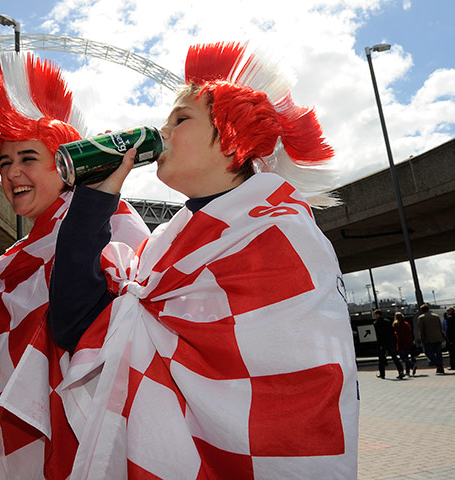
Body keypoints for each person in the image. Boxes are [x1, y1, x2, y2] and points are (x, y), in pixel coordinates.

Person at [48, 41, 359, 478]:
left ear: (233, 139)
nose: (163, 131)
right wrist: (95, 200)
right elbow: (74, 323)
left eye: (181, 119)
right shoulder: (162, 246)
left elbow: (293, 387)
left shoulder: (279, 232)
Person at [0, 51, 150, 480]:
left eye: (28, 158)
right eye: (5, 162)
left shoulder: (109, 223)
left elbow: (88, 333)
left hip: (87, 454)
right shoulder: (9, 262)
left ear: (65, 164)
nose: (13, 173)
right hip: (11, 457)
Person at [373, 310, 405, 379]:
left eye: (375, 315)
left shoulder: (376, 323)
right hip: (391, 341)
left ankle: (382, 373)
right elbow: (392, 331)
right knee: (394, 357)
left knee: (381, 358)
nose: (375, 316)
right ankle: (401, 371)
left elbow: (379, 335)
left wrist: (380, 344)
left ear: (378, 315)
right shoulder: (387, 321)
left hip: (383, 343)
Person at [418, 304, 445, 374]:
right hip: (438, 336)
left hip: (428, 338)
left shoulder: (421, 318)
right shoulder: (436, 316)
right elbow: (440, 326)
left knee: (429, 353)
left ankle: (438, 364)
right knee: (439, 353)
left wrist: (422, 338)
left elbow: (421, 329)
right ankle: (440, 367)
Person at [392, 312, 417, 376]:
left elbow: (395, 334)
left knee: (403, 358)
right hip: (408, 342)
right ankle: (408, 371)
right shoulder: (406, 324)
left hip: (400, 342)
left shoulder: (396, 324)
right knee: (406, 357)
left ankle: (412, 365)